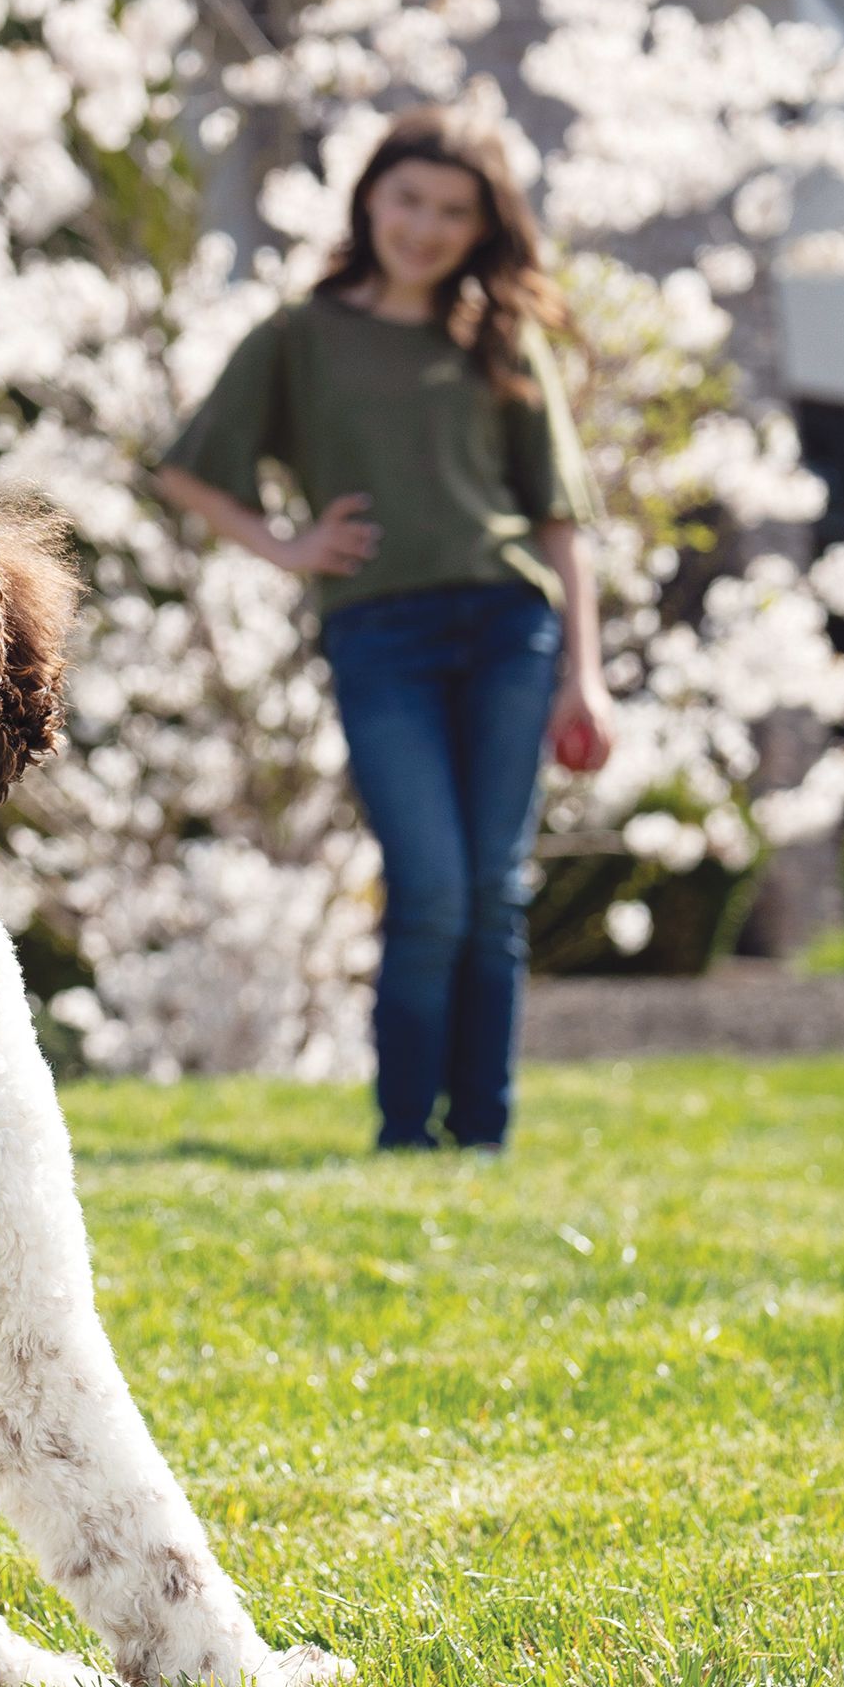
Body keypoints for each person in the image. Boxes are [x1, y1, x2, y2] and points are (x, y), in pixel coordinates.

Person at [154, 114, 611, 1152]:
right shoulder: (299, 337)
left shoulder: (502, 339)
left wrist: (588, 677)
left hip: (510, 628)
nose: (427, 226)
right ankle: (407, 1133)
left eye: (455, 211)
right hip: (381, 636)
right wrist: (285, 546)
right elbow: (187, 468)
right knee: (431, 884)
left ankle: (482, 1135)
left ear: (482, 227)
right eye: (409, 200)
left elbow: (561, 522)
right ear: (369, 201)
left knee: (493, 891)